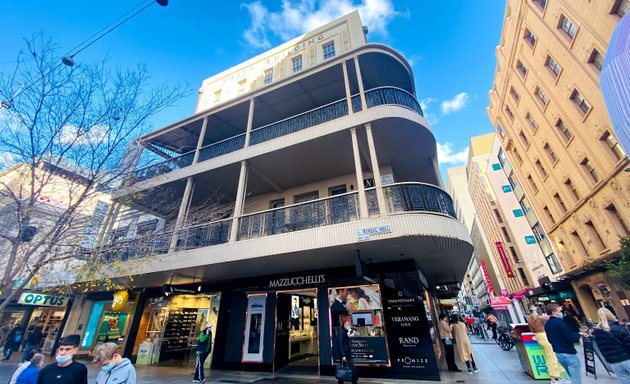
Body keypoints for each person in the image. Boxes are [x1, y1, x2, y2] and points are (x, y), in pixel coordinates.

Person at [545, 304, 584, 384]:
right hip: (568, 353)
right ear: (554, 312)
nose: (561, 313)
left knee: (572, 376)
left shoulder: (547, 324)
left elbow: (550, 339)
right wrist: (579, 335)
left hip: (559, 353)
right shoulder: (560, 323)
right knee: (575, 378)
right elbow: (571, 337)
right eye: (559, 311)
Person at [527, 306, 565, 383]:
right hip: (544, 336)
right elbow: (553, 317)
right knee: (552, 357)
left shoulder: (529, 319)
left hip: (538, 336)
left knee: (551, 356)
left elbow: (531, 329)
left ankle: (558, 377)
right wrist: (557, 310)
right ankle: (554, 379)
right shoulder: (540, 318)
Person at [591, 307, 630, 383]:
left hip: (613, 361)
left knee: (624, 380)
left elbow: (602, 349)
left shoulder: (597, 332)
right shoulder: (618, 328)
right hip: (626, 358)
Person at [335, 320, 357, 384]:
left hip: (348, 353)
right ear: (344, 324)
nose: (348, 326)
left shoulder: (346, 331)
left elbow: (352, 334)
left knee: (345, 368)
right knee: (351, 368)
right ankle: (353, 381)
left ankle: (342, 381)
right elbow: (340, 344)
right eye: (347, 324)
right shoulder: (341, 332)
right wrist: (343, 355)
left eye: (348, 324)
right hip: (344, 354)